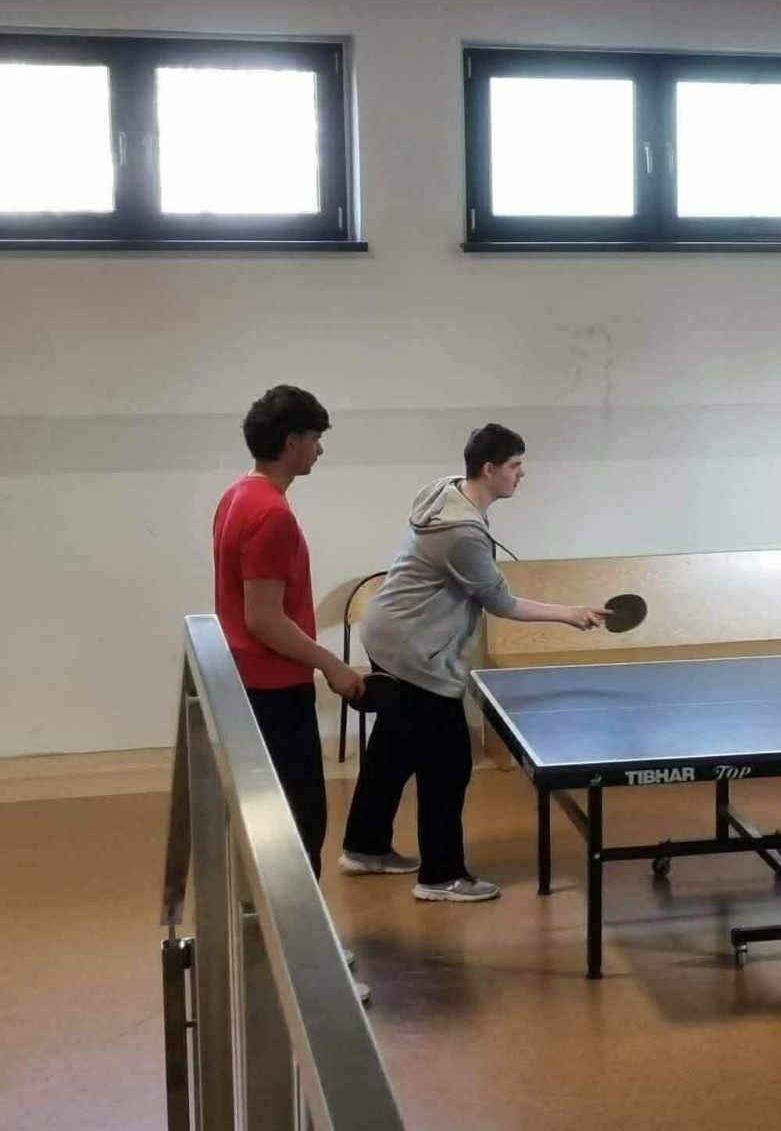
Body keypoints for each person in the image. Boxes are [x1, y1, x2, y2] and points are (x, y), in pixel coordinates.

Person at [340, 423, 610, 902]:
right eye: (515, 466)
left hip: (386, 632)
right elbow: (500, 602)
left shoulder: (446, 491)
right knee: (448, 763)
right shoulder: (462, 532)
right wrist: (569, 613)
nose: (521, 474)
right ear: (489, 469)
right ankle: (441, 876)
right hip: (412, 650)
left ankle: (365, 847)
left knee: (393, 748)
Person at [212, 385, 370, 1000]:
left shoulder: (236, 494)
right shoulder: (272, 514)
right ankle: (305, 962)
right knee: (301, 824)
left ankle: (289, 941)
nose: (319, 450)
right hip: (274, 689)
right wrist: (332, 665)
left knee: (282, 822)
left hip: (250, 683)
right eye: (314, 438)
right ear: (290, 442)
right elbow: (263, 618)